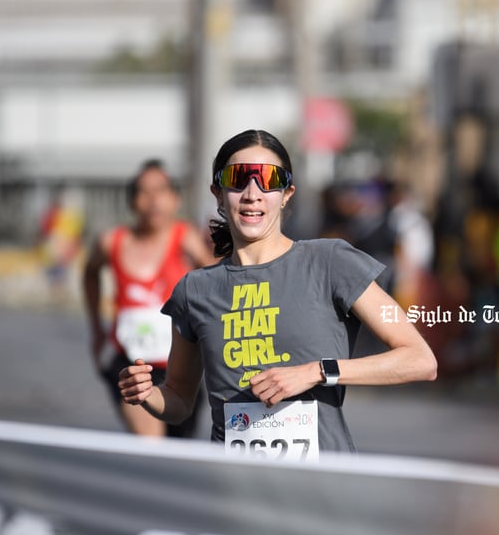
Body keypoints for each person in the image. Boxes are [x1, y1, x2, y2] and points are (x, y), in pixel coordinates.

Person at [118, 129, 437, 460]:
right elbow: (180, 401)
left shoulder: (330, 262)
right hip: (236, 491)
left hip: (323, 490)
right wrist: (147, 394)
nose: (252, 193)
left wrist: (315, 371)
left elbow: (419, 360)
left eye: (269, 179)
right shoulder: (193, 290)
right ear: (218, 192)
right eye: (238, 178)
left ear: (286, 194)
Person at [83, 159, 216, 438]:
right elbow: (90, 273)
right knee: (152, 444)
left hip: (178, 367)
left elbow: (219, 280)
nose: (154, 200)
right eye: (145, 192)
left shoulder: (185, 239)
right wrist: (97, 329)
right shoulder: (113, 242)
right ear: (132, 202)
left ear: (175, 199)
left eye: (161, 191)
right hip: (131, 362)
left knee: (178, 450)